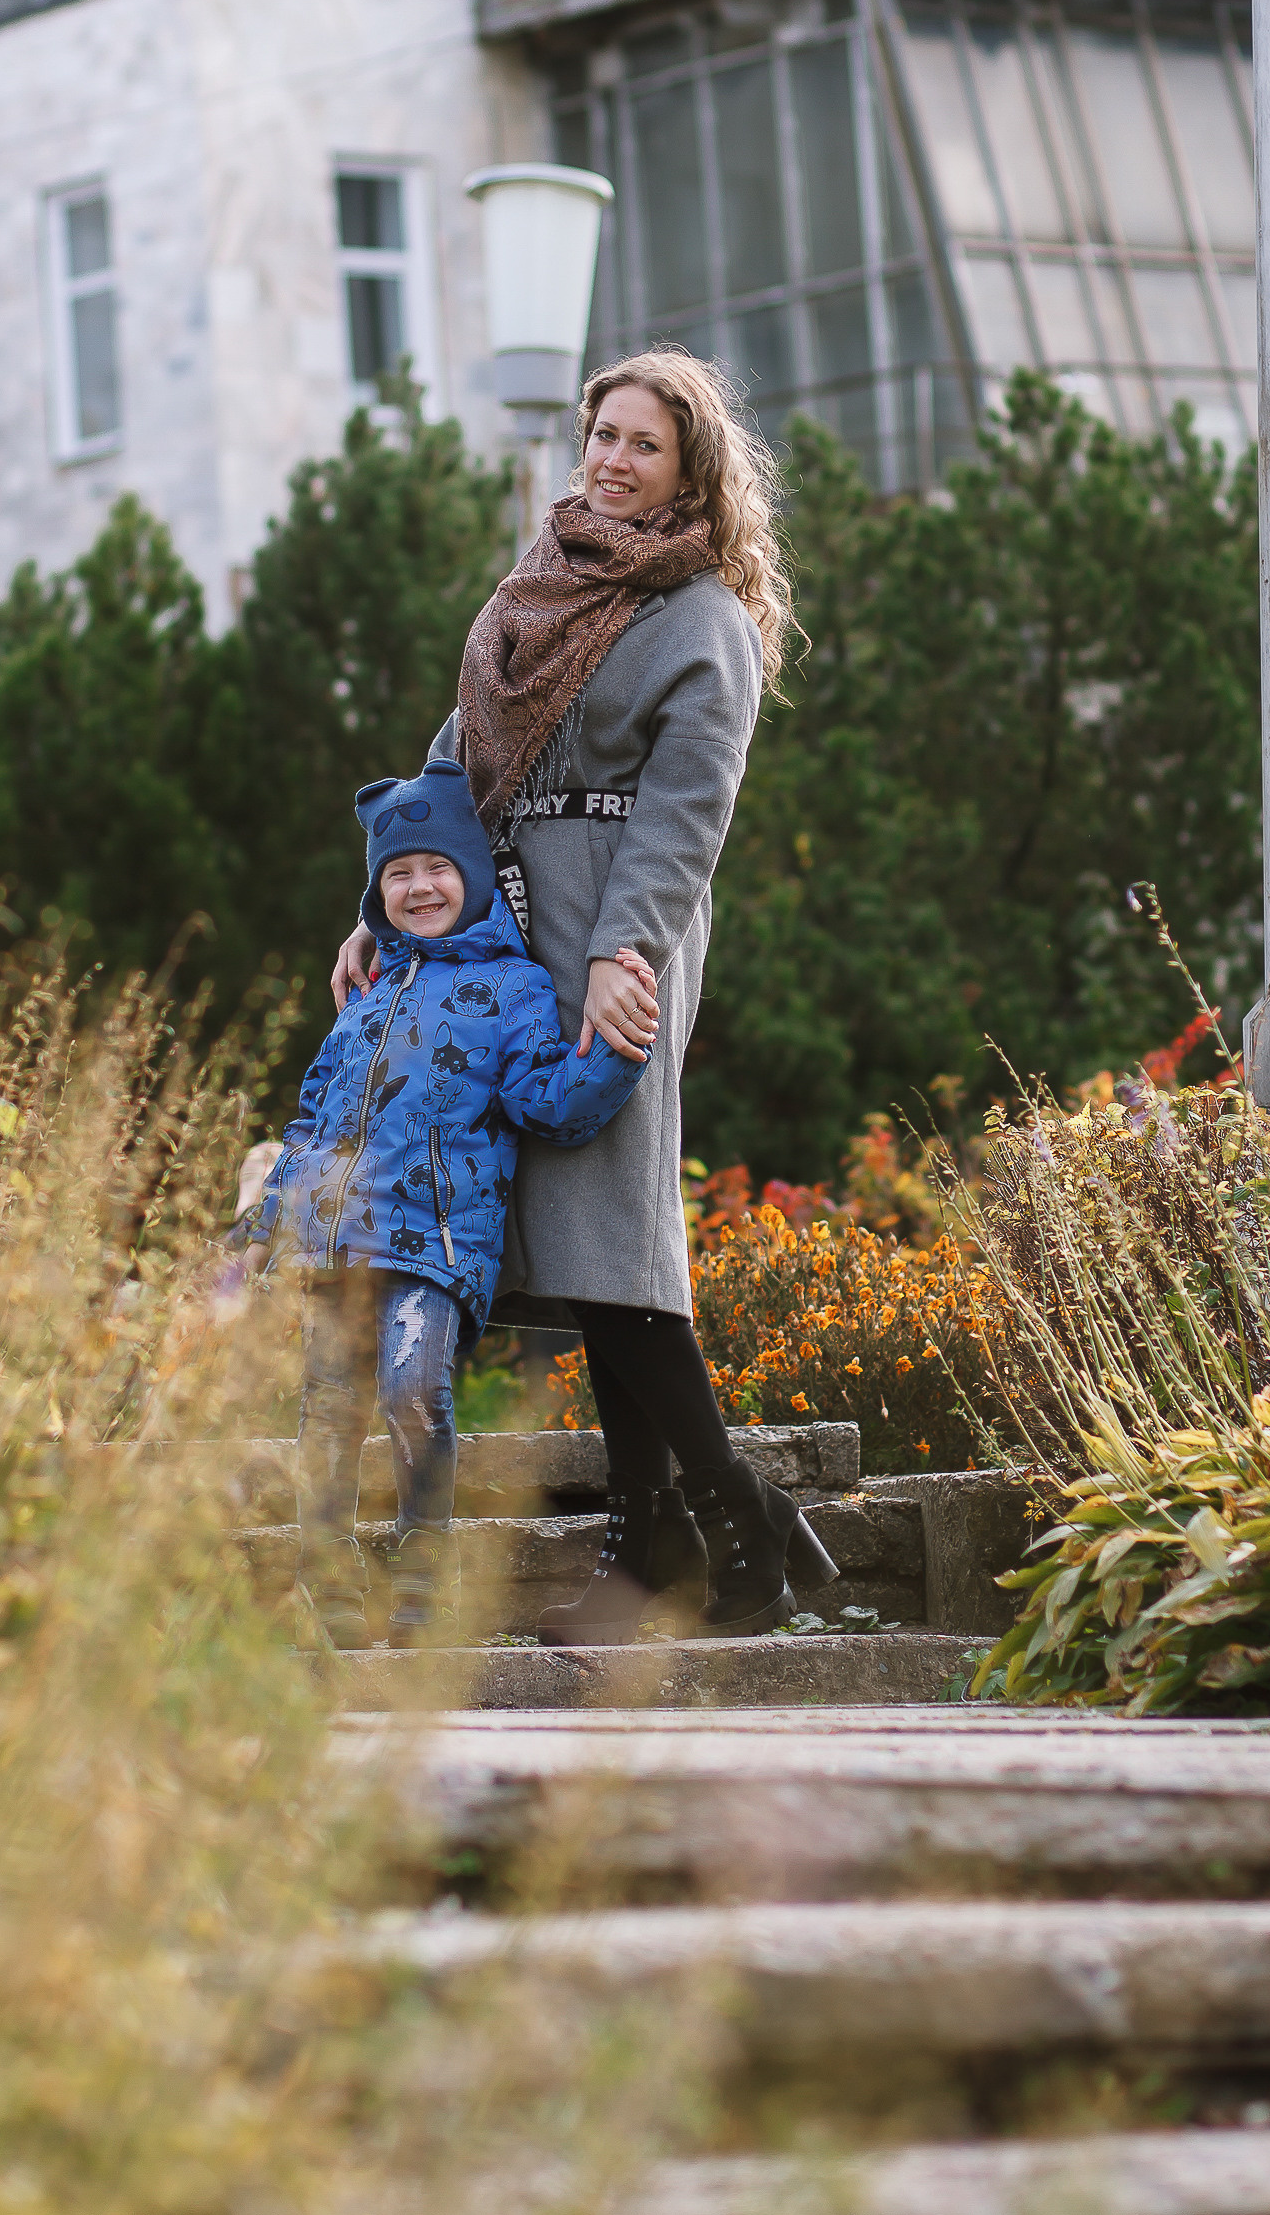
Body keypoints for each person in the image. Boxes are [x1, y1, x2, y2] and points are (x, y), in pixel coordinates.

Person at [332, 346, 832, 1644]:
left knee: (614, 1238)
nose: (613, 459)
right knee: (580, 1246)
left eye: (643, 444)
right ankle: (680, 1535)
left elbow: (687, 812)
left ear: (690, 473)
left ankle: (727, 1532)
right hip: (505, 943)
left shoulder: (703, 619)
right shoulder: (538, 586)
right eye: (603, 434)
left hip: (620, 934)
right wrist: (379, 916)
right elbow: (454, 769)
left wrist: (626, 953)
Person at [248, 753, 656, 1649]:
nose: (420, 886)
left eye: (438, 867)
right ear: (377, 893)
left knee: (412, 1393)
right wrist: (264, 1223)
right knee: (327, 1410)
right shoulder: (365, 995)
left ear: (473, 875)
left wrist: (616, 1049)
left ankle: (424, 1565)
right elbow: (312, 1120)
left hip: (433, 1246)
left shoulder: (512, 987)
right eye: (398, 873)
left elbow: (545, 1101)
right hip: (333, 1244)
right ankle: (328, 1575)